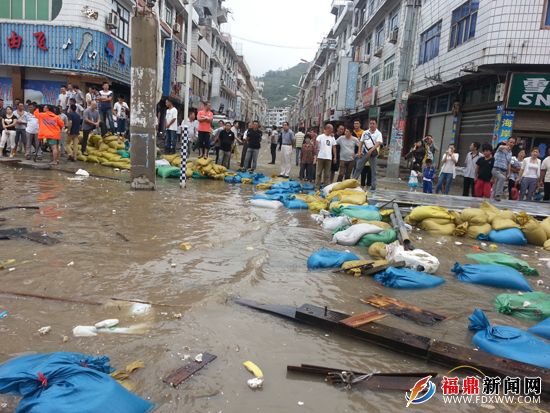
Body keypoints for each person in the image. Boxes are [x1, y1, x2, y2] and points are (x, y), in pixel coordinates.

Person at [352, 119, 383, 190]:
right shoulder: (365, 132)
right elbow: (361, 142)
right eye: (370, 123)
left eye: (373, 123)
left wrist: (371, 150)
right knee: (358, 168)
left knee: (373, 171)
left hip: (373, 155)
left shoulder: (378, 133)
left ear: (376, 124)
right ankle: (352, 183)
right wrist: (359, 151)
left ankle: (373, 186)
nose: (372, 125)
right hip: (364, 153)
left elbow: (378, 143)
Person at [491, 137, 516, 201]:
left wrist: (509, 172)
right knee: (502, 178)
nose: (512, 144)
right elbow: (500, 147)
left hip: (504, 170)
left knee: (496, 185)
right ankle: (498, 195)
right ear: (507, 142)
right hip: (496, 169)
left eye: (513, 143)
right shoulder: (501, 148)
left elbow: (508, 163)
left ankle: (493, 198)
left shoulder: (510, 152)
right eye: (510, 142)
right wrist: (505, 146)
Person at [315, 123, 337, 188]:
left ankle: (326, 187)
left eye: (332, 129)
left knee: (327, 174)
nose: (332, 130)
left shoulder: (332, 138)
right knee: (319, 173)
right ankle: (317, 186)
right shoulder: (320, 136)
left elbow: (334, 147)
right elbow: (317, 143)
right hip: (320, 157)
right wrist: (316, 154)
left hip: (328, 158)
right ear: (327, 129)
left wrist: (335, 157)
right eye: (331, 129)